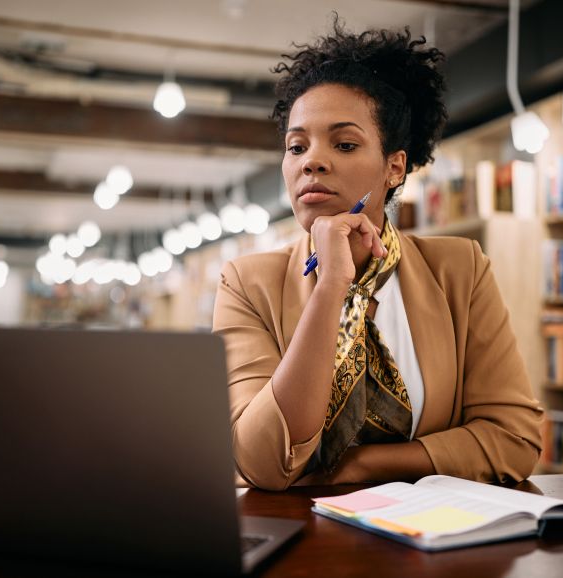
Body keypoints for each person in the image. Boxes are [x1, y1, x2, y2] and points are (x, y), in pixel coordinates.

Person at [212, 19, 543, 491]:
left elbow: (514, 437)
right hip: (301, 549)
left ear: (395, 166)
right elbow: (262, 461)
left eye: (344, 144)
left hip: (433, 545)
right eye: (296, 146)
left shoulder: (460, 270)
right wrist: (330, 289)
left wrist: (364, 467)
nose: (311, 161)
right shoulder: (247, 282)